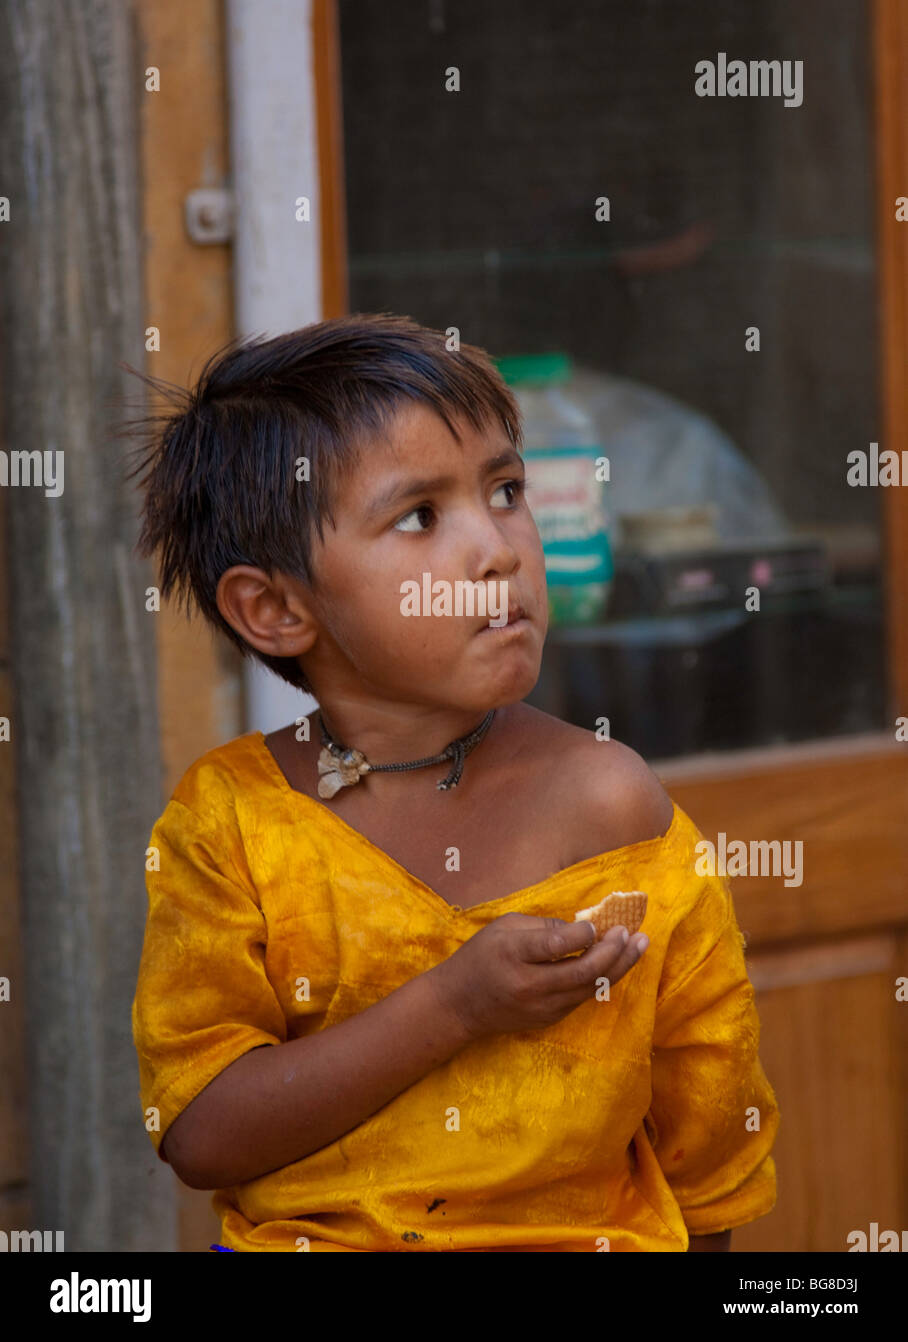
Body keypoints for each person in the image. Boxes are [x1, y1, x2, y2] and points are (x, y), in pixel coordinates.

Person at [126, 312, 779, 1252]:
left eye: (507, 490)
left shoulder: (611, 806)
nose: (500, 550)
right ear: (273, 609)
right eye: (421, 515)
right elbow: (199, 1131)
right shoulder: (232, 823)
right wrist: (455, 1005)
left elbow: (709, 1141)